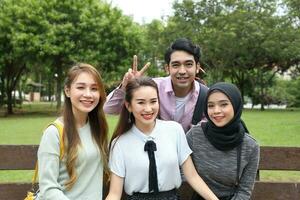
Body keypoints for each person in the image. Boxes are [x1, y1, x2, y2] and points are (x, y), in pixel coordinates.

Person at [105, 77, 219, 200]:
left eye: (153, 101)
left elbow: (192, 176)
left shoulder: (174, 130)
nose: (148, 109)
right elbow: (114, 194)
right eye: (141, 102)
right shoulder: (120, 143)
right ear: (129, 106)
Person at [37, 63, 109, 199]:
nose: (88, 94)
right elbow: (48, 188)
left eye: (94, 88)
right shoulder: (54, 133)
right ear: (67, 91)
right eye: (81, 87)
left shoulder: (97, 128)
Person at [104, 38, 207, 132]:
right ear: (167, 68)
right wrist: (127, 87)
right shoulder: (152, 88)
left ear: (197, 67)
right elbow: (108, 109)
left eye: (188, 64)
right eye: (176, 65)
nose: (182, 71)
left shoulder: (206, 96)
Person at [186, 82, 260, 200]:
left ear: (235, 105)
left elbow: (244, 191)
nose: (216, 111)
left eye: (223, 104)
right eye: (210, 105)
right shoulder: (195, 134)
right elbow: (181, 170)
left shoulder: (250, 146)